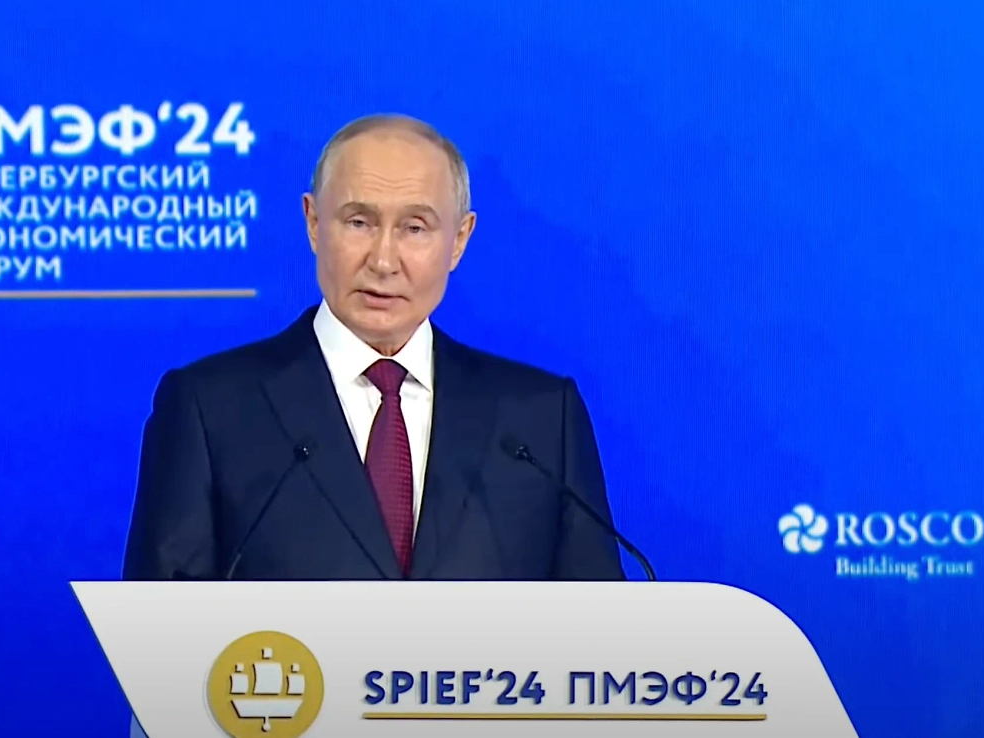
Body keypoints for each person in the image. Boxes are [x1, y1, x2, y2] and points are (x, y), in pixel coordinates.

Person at [121, 113, 626, 582]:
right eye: (358, 222)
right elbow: (163, 630)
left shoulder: (540, 420)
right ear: (313, 223)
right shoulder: (209, 409)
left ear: (459, 240)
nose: (383, 261)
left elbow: (598, 630)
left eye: (414, 228)